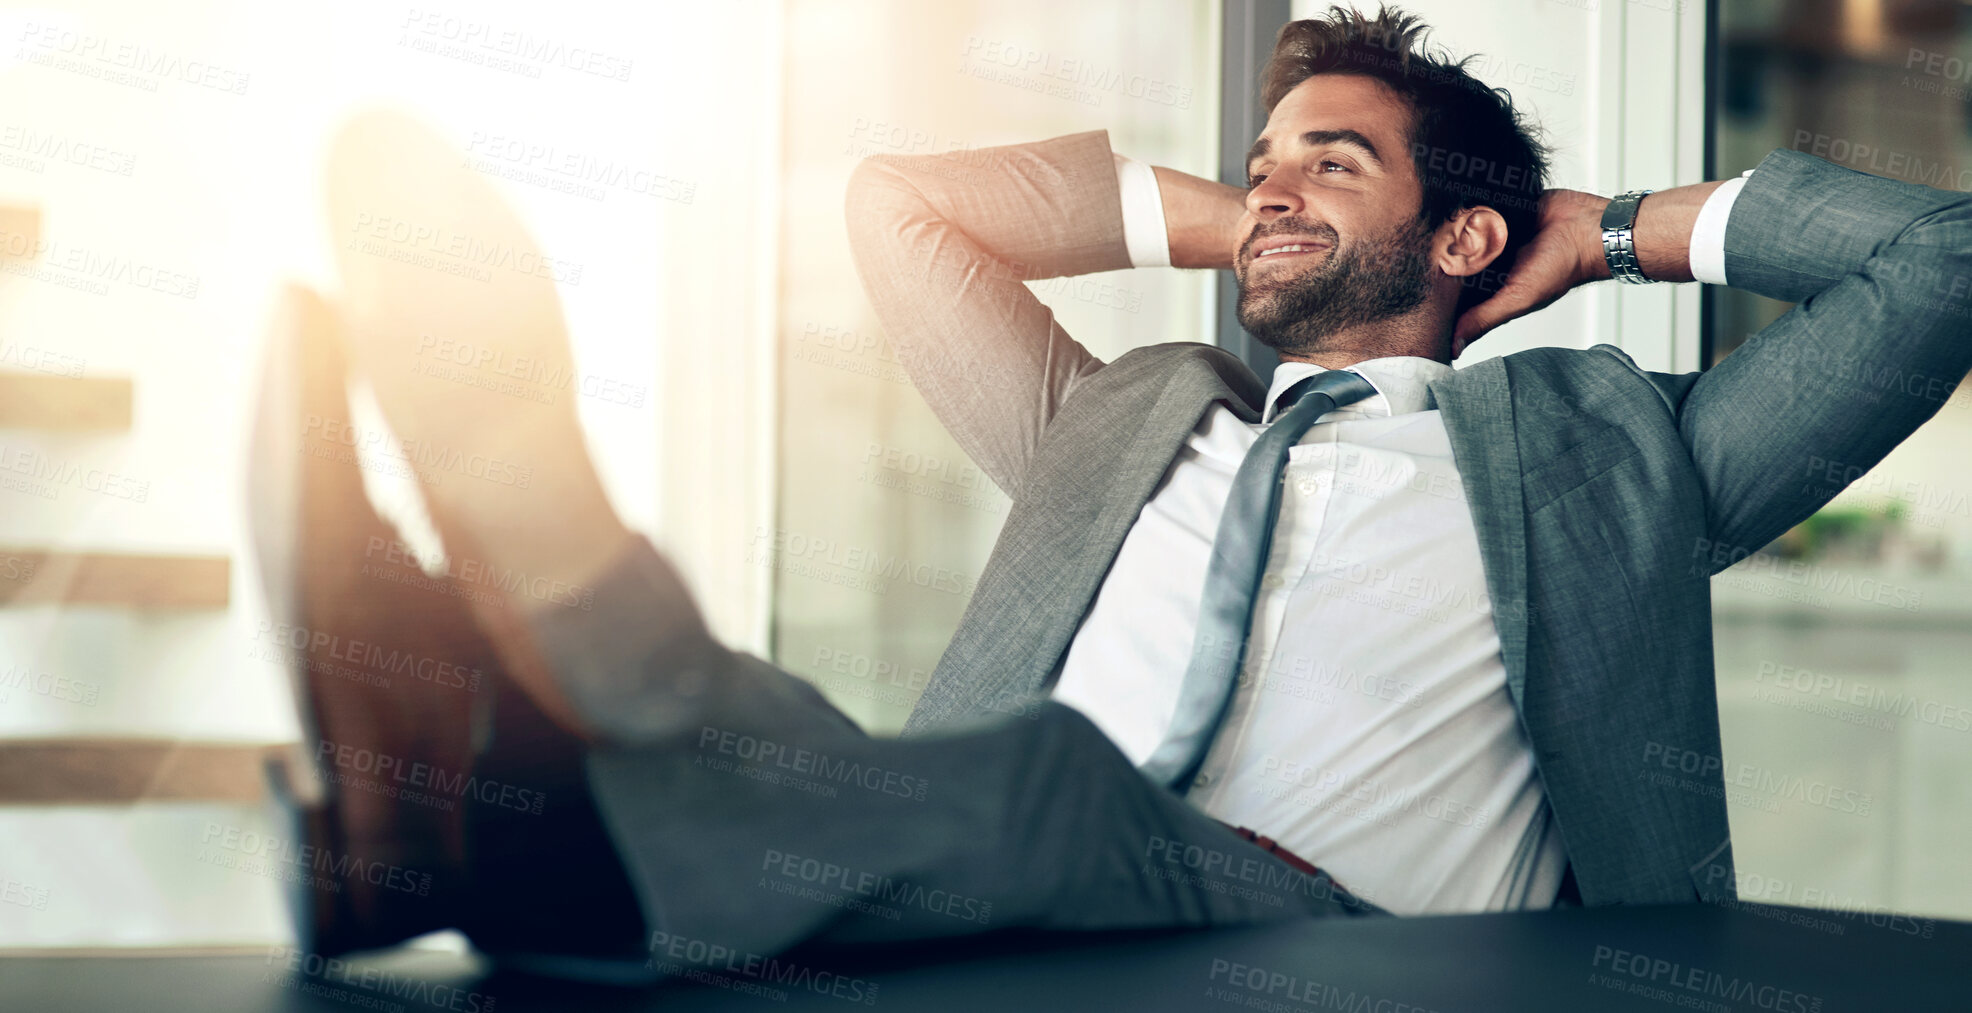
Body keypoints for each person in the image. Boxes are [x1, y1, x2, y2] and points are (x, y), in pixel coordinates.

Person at [251, 4, 1972, 982]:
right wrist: (1264, 217)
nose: (1276, 187)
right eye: (1259, 162)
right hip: (1000, 924)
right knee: (820, 750)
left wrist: (1602, 230)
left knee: (1060, 794)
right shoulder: (1123, 419)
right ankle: (453, 798)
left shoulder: (1614, 458)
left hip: (1351, 953)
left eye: (1333, 160)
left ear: (1462, 238)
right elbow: (901, 214)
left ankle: (539, 635)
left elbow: (1945, 262)